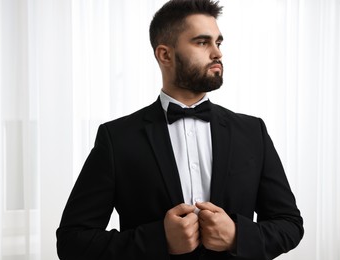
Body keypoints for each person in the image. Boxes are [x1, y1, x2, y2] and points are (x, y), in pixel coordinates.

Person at [56, 0, 304, 259]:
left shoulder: (253, 132)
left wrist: (237, 236)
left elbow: (289, 224)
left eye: (218, 43)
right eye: (202, 42)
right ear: (165, 54)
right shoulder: (117, 138)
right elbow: (72, 241)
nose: (217, 53)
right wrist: (159, 240)